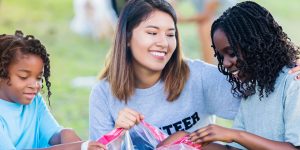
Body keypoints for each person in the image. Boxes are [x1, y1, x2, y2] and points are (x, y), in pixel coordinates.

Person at [89, 0, 300, 149]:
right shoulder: (103, 94)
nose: (163, 42)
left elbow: (265, 70)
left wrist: (289, 62)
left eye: (171, 34)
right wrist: (118, 132)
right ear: (126, 37)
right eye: (152, 33)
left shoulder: (200, 77)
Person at [189, 1, 300, 150]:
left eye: (231, 53)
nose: (226, 63)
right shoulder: (252, 89)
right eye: (221, 57)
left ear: (257, 44)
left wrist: (235, 135)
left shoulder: (294, 82)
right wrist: (190, 141)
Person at [0, 31, 105, 150]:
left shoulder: (34, 101)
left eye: (39, 78)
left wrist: (65, 134)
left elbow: (53, 134)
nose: (35, 85)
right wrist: (80, 147)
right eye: (23, 77)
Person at [176, 0, 236, 64]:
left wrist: (183, 19)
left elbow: (206, 15)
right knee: (203, 25)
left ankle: (209, 63)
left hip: (228, 20)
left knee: (205, 25)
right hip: (210, 20)